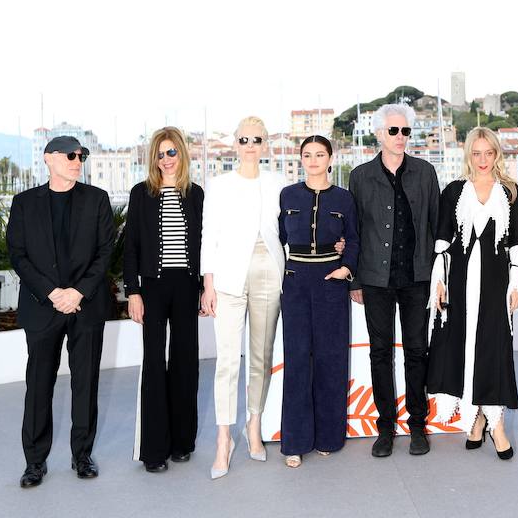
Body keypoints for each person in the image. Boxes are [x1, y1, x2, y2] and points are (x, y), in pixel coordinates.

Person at [6, 136, 114, 487]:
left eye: (81, 155)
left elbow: (104, 253)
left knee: (86, 384)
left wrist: (78, 291)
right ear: (48, 159)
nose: (77, 160)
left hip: (86, 306)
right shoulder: (23, 203)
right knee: (38, 386)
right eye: (70, 155)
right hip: (42, 307)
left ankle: (82, 456)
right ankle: (34, 462)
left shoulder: (97, 200)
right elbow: (18, 255)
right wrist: (53, 292)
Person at [427, 127, 518, 460]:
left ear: (497, 154)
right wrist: (438, 282)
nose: (483, 160)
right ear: (468, 155)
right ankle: (476, 417)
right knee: (462, 347)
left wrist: (517, 285)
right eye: (476, 153)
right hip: (459, 283)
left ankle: (493, 422)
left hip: (497, 283)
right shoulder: (454, 191)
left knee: (493, 349)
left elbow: (517, 243)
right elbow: (442, 243)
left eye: (489, 153)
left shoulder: (511, 192)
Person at [348, 102, 440, 458]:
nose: (400, 137)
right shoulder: (360, 176)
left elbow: (435, 226)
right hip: (375, 279)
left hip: (417, 277)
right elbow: (354, 232)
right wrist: (354, 281)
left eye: (405, 131)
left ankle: (418, 426)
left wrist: (438, 276)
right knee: (380, 353)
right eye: (393, 131)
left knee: (418, 351)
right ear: (378, 134)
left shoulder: (425, 172)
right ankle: (385, 428)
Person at [200, 116, 286, 478]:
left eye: (257, 139)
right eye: (244, 139)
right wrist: (208, 284)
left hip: (269, 267)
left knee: (260, 356)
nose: (250, 145)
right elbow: (209, 235)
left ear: (265, 145)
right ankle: (224, 439)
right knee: (227, 363)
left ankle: (253, 426)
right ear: (235, 144)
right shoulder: (218, 186)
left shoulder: (279, 183)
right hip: (228, 276)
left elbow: (291, 230)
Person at [123, 127, 205, 473]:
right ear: (153, 159)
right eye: (160, 154)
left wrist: (205, 288)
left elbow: (204, 244)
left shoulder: (196, 194)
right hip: (153, 288)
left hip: (186, 286)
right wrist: (133, 292)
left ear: (181, 155)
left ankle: (183, 442)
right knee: (155, 364)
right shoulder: (141, 194)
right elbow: (130, 247)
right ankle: (154, 449)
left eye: (172, 153)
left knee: (186, 362)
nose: (166, 160)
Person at [278, 135, 359, 468]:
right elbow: (278, 236)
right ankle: (295, 442)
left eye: (320, 154)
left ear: (330, 158)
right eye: (307, 155)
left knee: (331, 360)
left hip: (330, 284)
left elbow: (354, 237)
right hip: (296, 283)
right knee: (297, 360)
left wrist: (345, 268)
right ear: (300, 159)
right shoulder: (287, 195)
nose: (313, 160)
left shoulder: (344, 198)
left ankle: (328, 436)